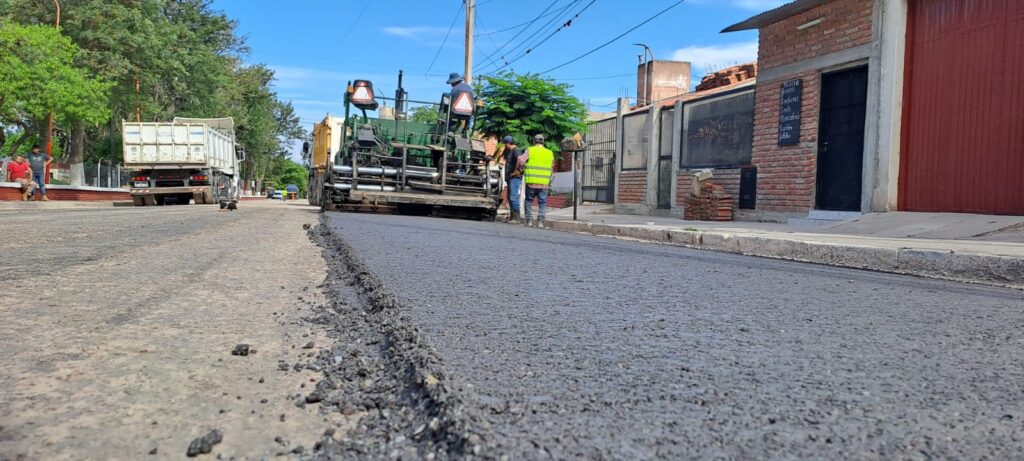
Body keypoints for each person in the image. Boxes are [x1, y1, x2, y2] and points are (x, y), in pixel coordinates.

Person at [517, 134, 554, 228]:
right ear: (543, 142)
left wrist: (521, 168)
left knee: (529, 201)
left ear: (534, 141)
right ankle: (540, 222)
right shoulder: (549, 153)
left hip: (531, 181)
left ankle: (529, 221)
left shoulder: (530, 150)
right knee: (542, 202)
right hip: (544, 183)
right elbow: (552, 166)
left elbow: (520, 160)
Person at [499, 136, 524, 223]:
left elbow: (519, 160)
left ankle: (516, 218)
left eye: (505, 144)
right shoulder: (511, 151)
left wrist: (516, 171)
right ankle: (513, 217)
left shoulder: (516, 150)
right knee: (511, 197)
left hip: (514, 178)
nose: (505, 146)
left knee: (513, 197)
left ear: (508, 143)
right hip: (510, 178)